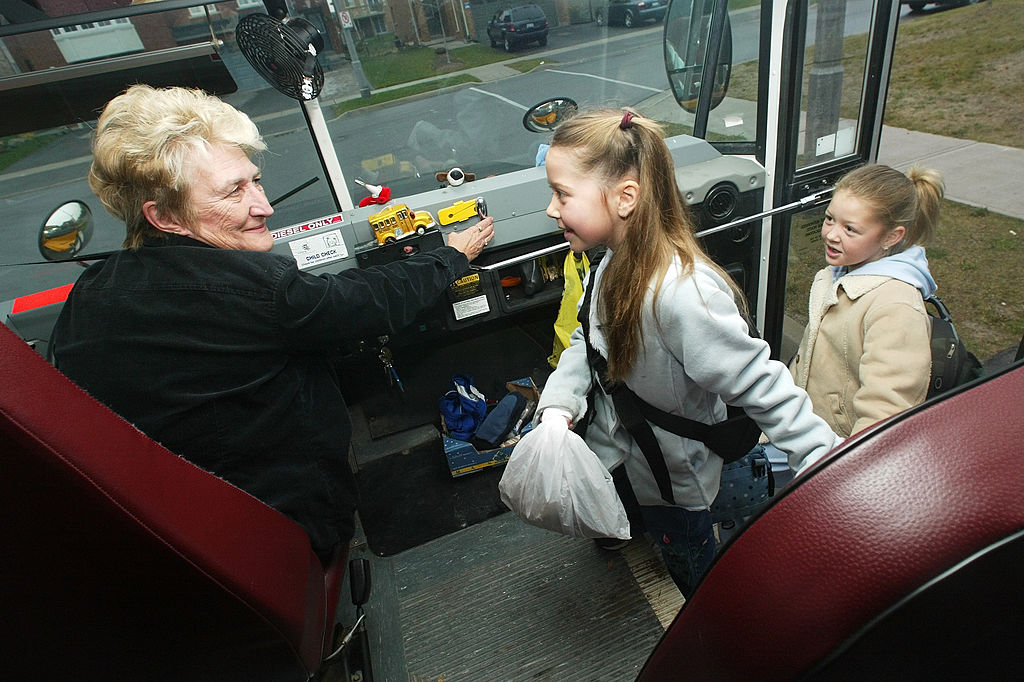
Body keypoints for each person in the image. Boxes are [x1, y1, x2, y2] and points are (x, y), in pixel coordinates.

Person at [50, 85, 495, 566]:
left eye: (255, 181)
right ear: (165, 217)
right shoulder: (247, 289)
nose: (264, 206)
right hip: (283, 532)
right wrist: (449, 257)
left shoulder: (91, 290)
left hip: (174, 538)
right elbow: (363, 303)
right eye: (234, 191)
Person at [533, 108, 842, 597]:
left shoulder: (681, 295)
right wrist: (558, 406)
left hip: (676, 486)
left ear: (625, 197)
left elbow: (761, 384)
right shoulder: (606, 266)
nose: (551, 209)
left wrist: (826, 464)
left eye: (562, 194)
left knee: (693, 571)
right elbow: (586, 345)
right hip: (625, 459)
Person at [788, 164, 943, 439]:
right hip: (805, 430)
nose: (831, 234)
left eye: (850, 229)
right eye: (829, 219)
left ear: (891, 237)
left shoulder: (896, 307)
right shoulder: (839, 273)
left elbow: (885, 413)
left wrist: (840, 471)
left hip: (836, 453)